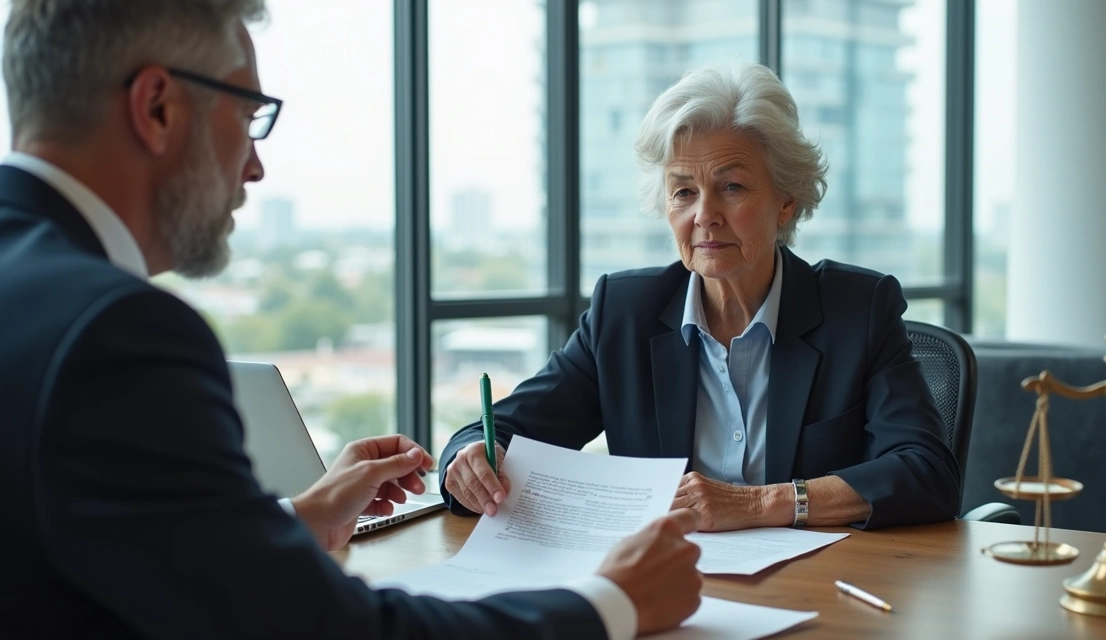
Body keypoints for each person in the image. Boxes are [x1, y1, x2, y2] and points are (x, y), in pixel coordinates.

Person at [0, 1, 703, 638]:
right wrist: (611, 602)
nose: (255, 168)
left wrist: (293, 523)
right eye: (249, 117)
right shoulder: (115, 332)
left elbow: (90, 543)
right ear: (157, 107)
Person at [442, 62, 961, 532]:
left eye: (732, 187)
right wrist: (468, 458)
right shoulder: (624, 313)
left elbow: (926, 471)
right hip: (667, 588)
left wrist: (760, 504)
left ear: (786, 202)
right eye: (684, 191)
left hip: (817, 595)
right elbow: (503, 428)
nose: (704, 215)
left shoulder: (858, 310)